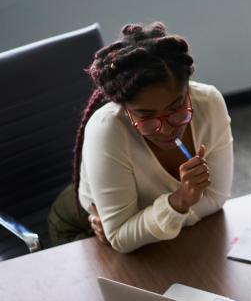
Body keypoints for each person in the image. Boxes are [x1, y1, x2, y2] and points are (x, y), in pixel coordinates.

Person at [50, 22, 233, 253]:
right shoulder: (107, 129)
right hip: (82, 228)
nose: (166, 129)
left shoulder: (208, 103)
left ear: (188, 89)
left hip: (139, 232)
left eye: (176, 107)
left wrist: (140, 228)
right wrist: (180, 202)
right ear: (125, 108)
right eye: (146, 116)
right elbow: (120, 237)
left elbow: (216, 200)